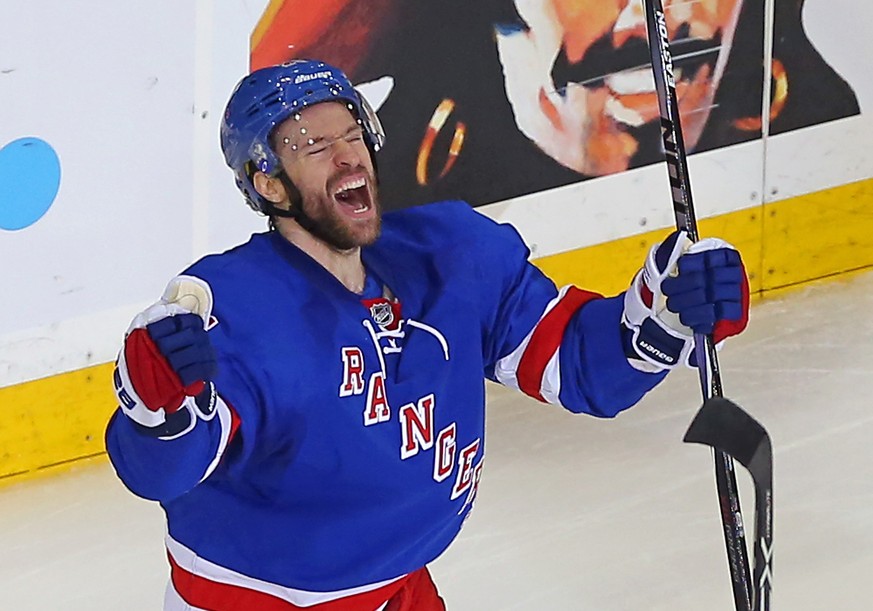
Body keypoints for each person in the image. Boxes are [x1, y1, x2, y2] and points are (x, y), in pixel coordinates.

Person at [105, 59, 750, 611]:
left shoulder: (450, 257)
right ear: (270, 184)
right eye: (313, 145)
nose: (348, 154)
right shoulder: (239, 307)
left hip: (401, 591)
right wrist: (160, 415)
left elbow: (584, 367)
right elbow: (164, 469)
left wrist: (661, 312)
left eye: (353, 133)